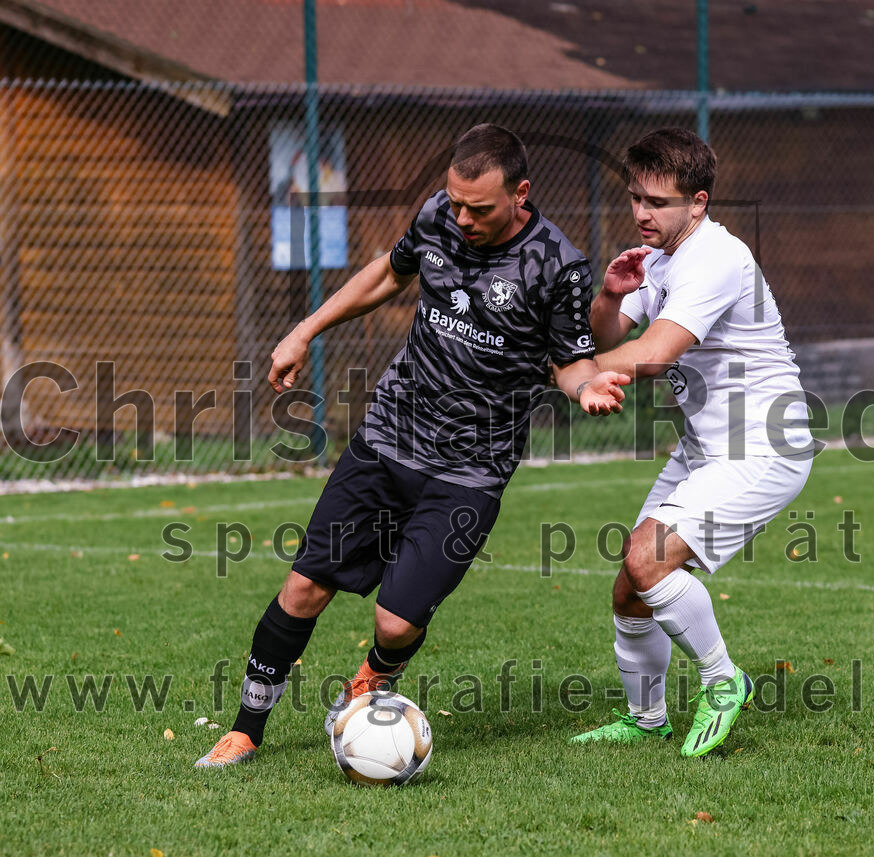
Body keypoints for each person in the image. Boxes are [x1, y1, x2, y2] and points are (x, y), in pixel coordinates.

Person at [196, 124, 630, 767]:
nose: (462, 218)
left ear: (521, 194)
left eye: (478, 208)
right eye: (455, 203)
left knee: (396, 624)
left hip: (471, 470)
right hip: (388, 438)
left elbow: (571, 361)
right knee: (304, 589)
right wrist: (305, 330)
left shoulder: (558, 265)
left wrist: (585, 388)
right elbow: (386, 275)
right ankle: (246, 729)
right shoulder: (436, 216)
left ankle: (372, 676)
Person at [571, 128, 814, 757]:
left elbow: (650, 355)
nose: (641, 214)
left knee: (647, 560)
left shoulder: (715, 257)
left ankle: (723, 681)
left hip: (763, 445)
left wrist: (576, 377)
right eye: (634, 198)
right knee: (631, 585)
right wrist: (609, 295)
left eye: (656, 201)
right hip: (707, 446)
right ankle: (646, 718)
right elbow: (607, 335)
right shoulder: (656, 258)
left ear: (698, 203)